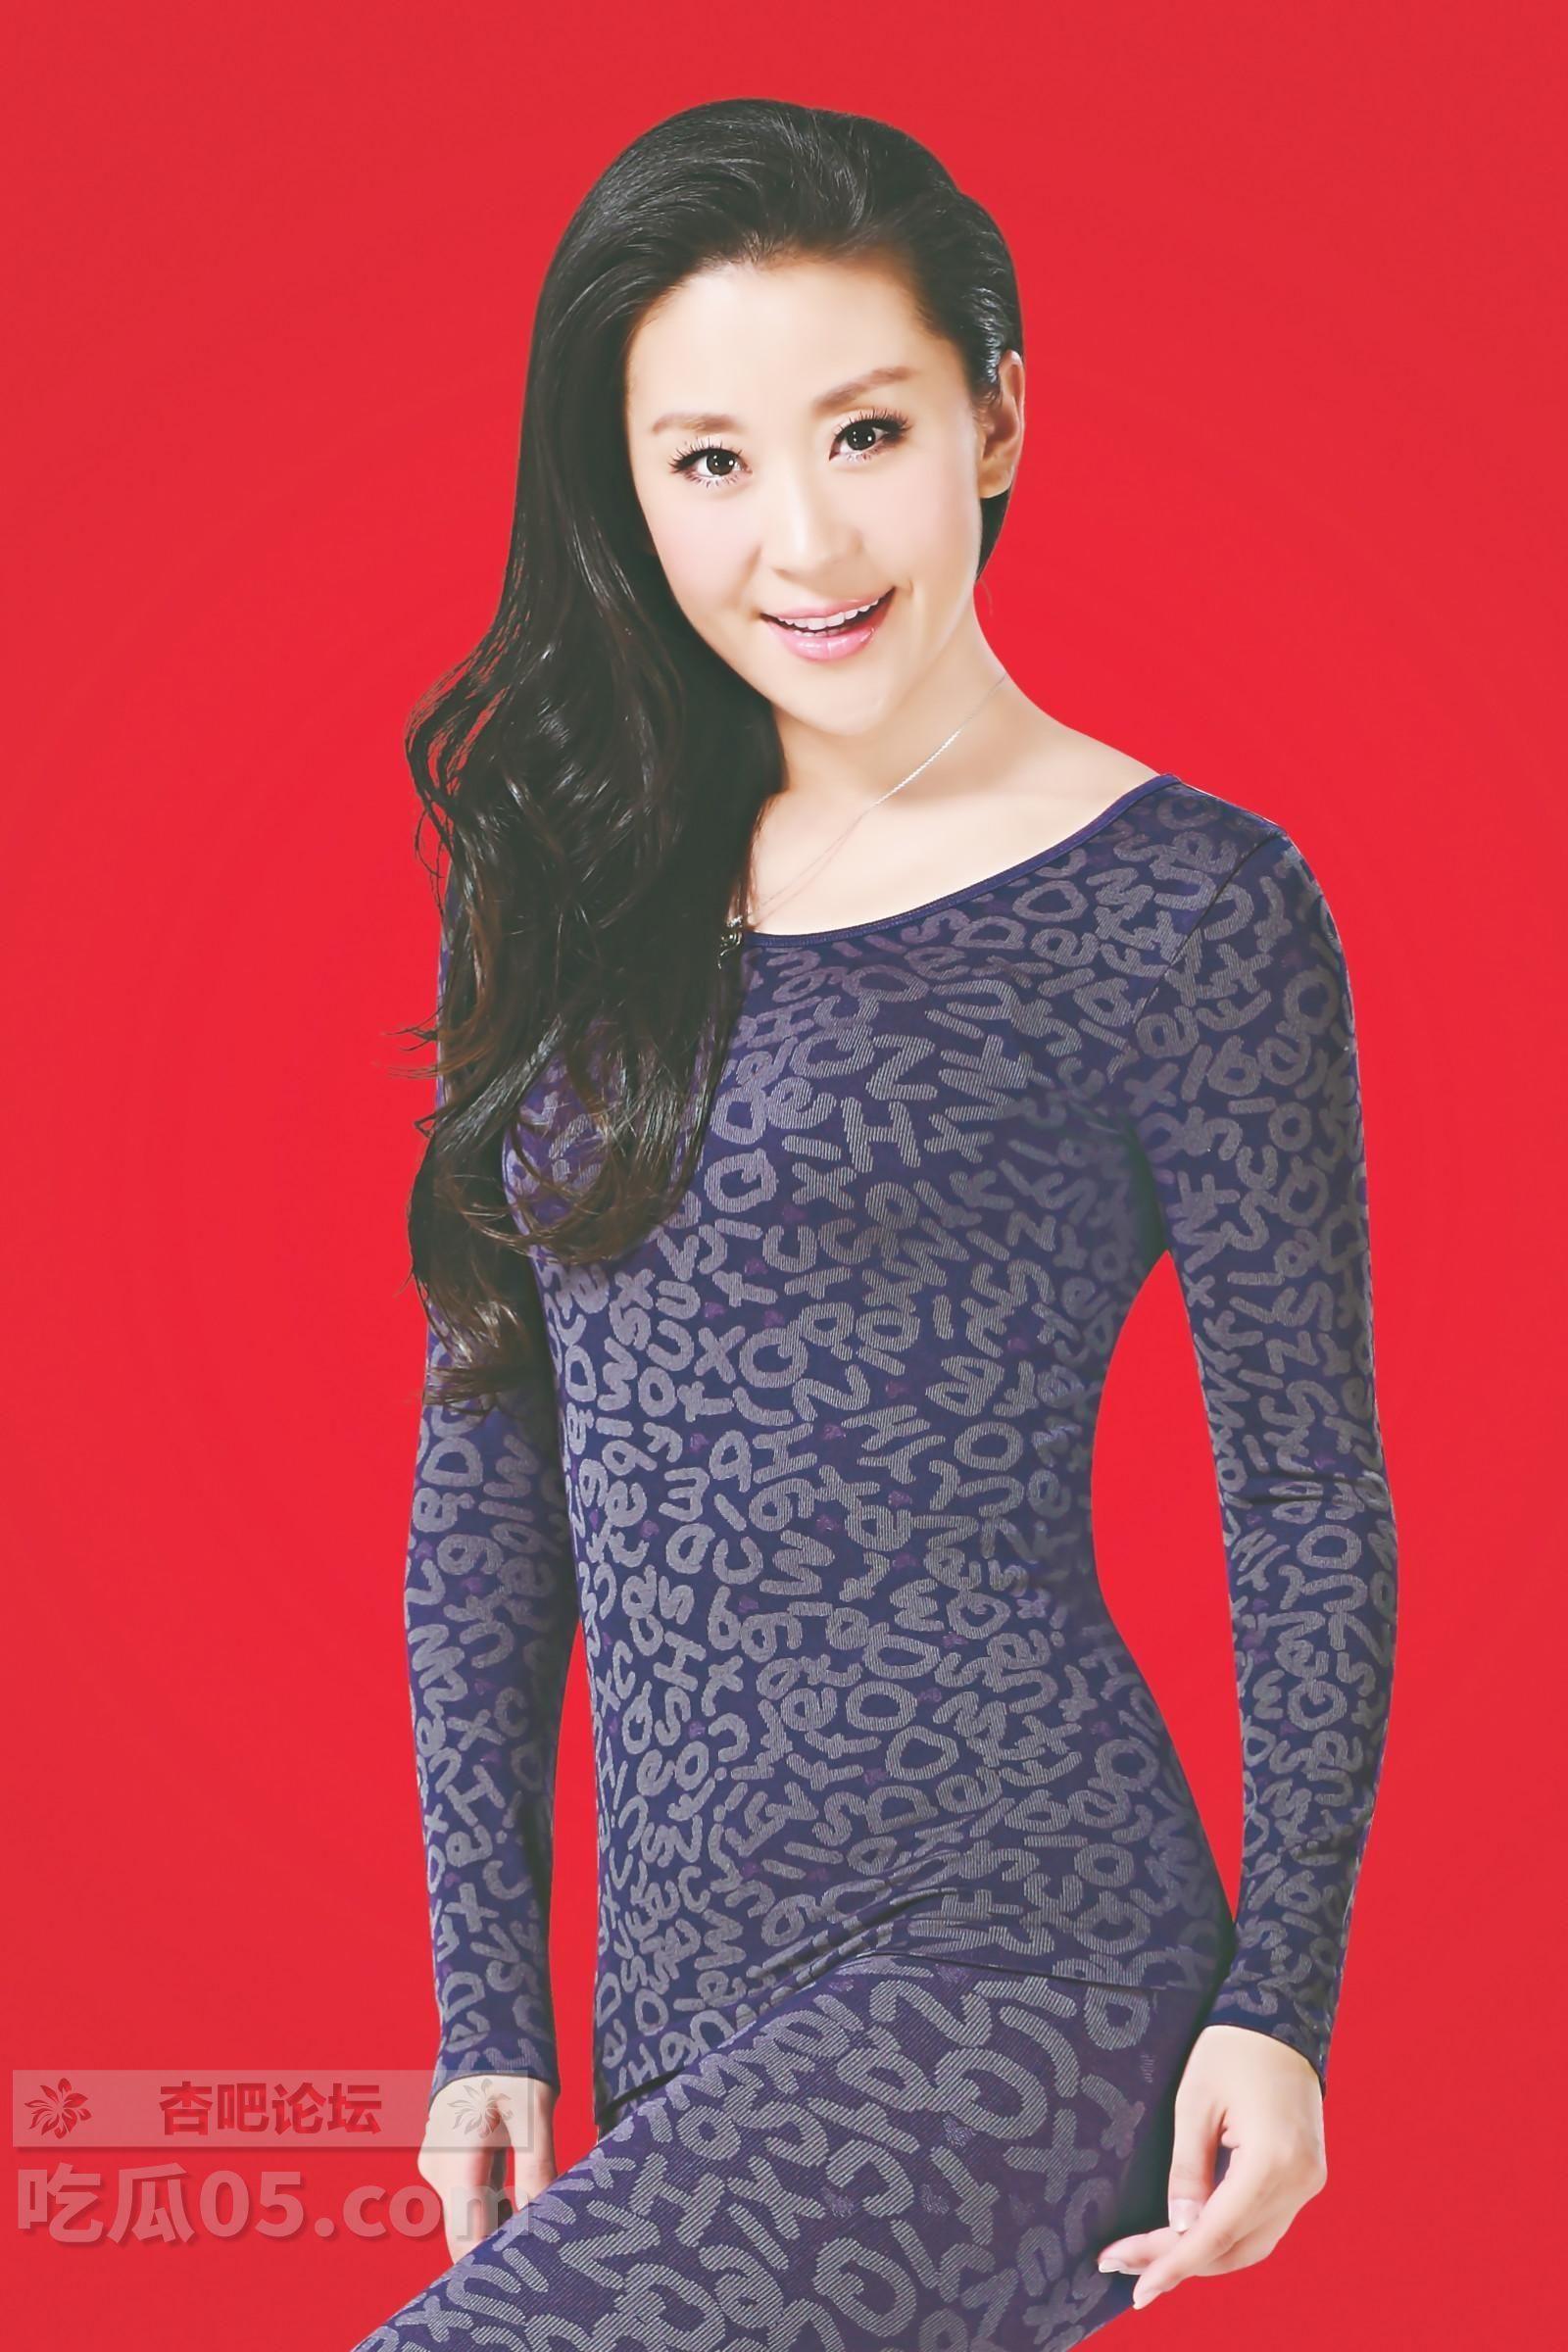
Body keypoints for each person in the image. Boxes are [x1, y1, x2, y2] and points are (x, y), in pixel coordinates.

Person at [353, 95, 1398, 2352]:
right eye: (708, 461)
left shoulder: (1181, 906)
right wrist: (485, 2008)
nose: (802, 538)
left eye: (864, 432)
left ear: (991, 416)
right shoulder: (572, 875)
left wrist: (1279, 2001)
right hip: (673, 2008)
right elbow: (491, 1449)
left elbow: (1300, 1482)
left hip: (1027, 1972)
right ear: (623, 485)